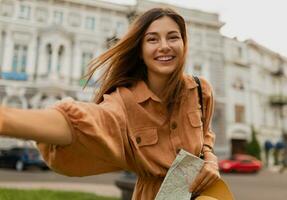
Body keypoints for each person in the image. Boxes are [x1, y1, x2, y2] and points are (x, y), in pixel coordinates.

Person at [0, 7, 220, 199]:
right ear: (141, 52)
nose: (164, 46)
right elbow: (82, 122)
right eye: (152, 39)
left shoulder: (201, 90)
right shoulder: (124, 101)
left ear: (184, 44)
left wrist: (210, 159)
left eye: (173, 37)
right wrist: (6, 120)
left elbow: (205, 135)